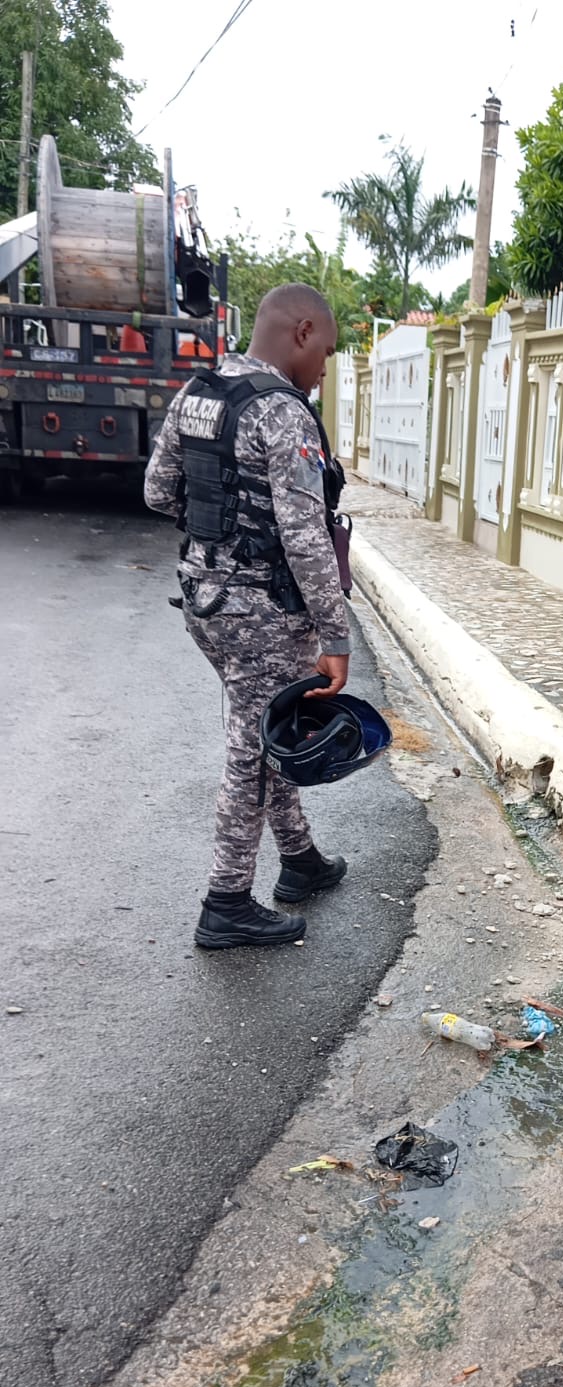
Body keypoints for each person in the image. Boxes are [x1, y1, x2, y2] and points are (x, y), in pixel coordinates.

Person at [145, 282, 350, 950]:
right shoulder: (283, 412)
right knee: (253, 756)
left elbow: (156, 492)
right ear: (302, 331)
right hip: (261, 611)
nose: (325, 367)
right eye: (327, 350)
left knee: (265, 730)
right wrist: (334, 633)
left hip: (203, 600)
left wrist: (219, 542)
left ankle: (301, 862)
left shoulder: (199, 393)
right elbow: (305, 535)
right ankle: (226, 902)